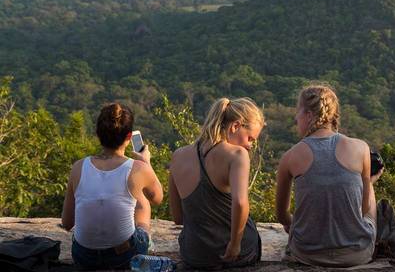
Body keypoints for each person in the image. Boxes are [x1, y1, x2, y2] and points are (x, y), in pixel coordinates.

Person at [275, 84, 378, 267]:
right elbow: (363, 210)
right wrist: (368, 183)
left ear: (308, 115)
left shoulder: (289, 157)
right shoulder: (361, 147)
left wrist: (295, 225)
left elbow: (282, 216)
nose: (295, 117)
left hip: (307, 254)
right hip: (357, 253)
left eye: (298, 112)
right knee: (368, 187)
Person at [61, 103, 163, 270]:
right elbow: (158, 198)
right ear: (129, 137)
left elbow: (66, 223)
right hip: (123, 257)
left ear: (98, 134)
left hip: (84, 257)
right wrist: (146, 163)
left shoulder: (78, 167)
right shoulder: (138, 168)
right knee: (142, 201)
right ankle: (146, 240)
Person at [169, 97, 264, 269]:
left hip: (194, 254)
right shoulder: (236, 155)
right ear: (235, 126)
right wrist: (235, 244)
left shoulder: (177, 155)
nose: (250, 146)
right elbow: (241, 203)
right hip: (231, 255)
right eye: (250, 138)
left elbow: (177, 217)